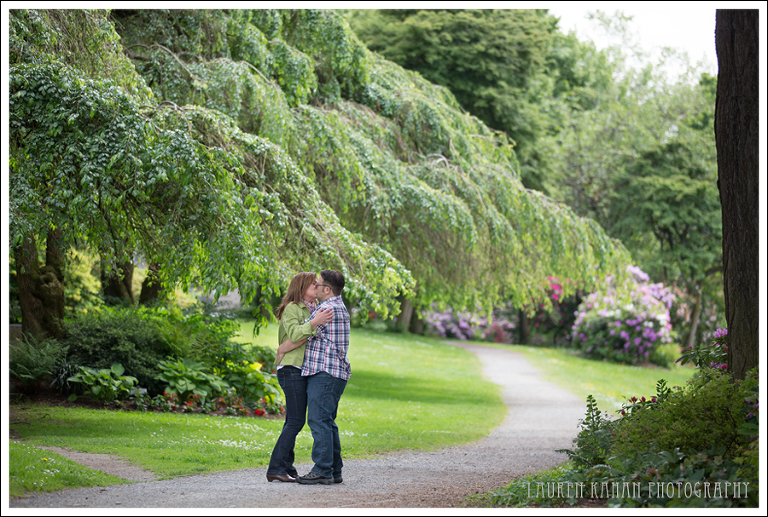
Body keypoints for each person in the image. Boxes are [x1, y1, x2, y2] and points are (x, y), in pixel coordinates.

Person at [265, 272, 333, 483]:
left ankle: (287, 466)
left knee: (293, 420)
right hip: (291, 368)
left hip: (302, 369)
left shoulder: (313, 309)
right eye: (313, 283)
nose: (317, 286)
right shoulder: (292, 308)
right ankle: (275, 467)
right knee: (295, 421)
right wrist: (314, 324)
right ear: (301, 286)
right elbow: (295, 335)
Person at [294, 270, 351, 485]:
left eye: (317, 285)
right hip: (333, 373)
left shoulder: (327, 308)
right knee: (327, 421)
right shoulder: (337, 306)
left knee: (318, 420)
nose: (315, 287)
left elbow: (300, 332)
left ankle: (322, 470)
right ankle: (334, 470)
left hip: (325, 373)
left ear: (327, 290)